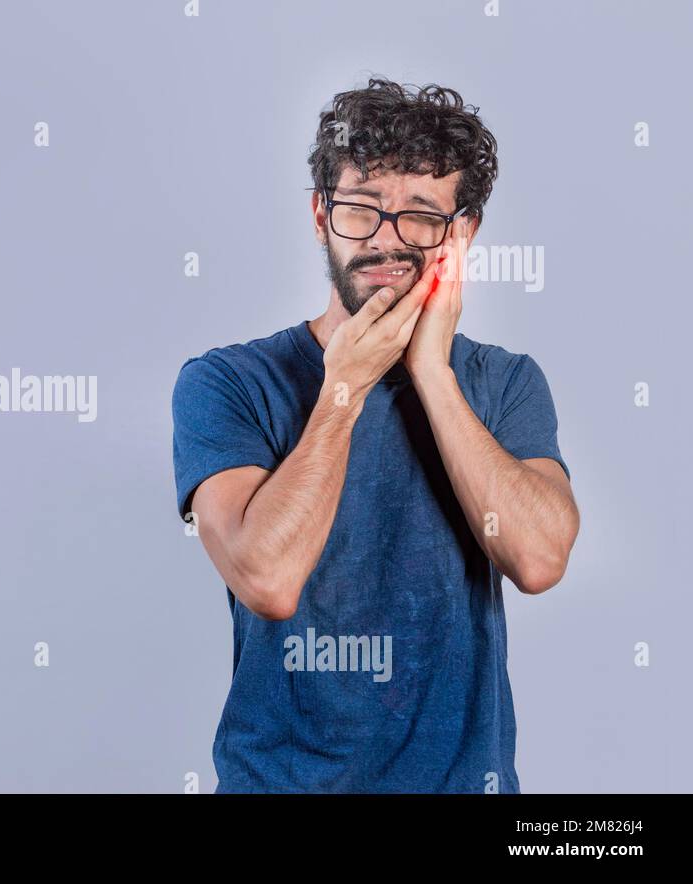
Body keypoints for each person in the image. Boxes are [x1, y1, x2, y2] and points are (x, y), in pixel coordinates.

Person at [171, 79, 580, 793]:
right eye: (361, 209)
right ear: (320, 216)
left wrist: (432, 373)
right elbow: (266, 578)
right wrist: (343, 390)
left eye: (421, 216)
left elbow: (540, 558)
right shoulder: (227, 383)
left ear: (462, 233)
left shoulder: (504, 383)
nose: (385, 239)